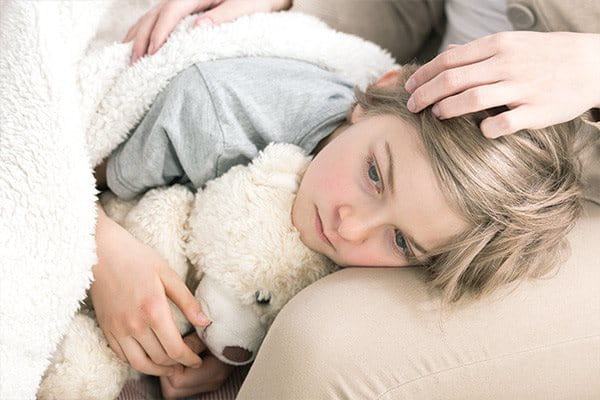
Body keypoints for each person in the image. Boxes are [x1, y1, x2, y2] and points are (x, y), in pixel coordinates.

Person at [110, 0, 599, 398]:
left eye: (401, 242)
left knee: (321, 342)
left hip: (567, 198)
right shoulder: (219, 108)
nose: (349, 227)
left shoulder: (421, 210)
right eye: (372, 176)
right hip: (431, 123)